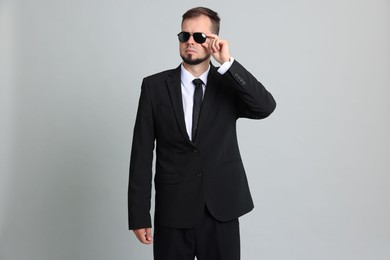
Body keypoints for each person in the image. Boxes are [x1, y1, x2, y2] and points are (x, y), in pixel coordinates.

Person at [128, 6, 276, 260]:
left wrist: (228, 63)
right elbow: (141, 153)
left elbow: (265, 107)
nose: (190, 42)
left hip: (222, 209)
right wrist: (139, 214)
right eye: (184, 36)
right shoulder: (154, 87)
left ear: (213, 41)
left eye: (199, 37)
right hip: (173, 212)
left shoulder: (228, 85)